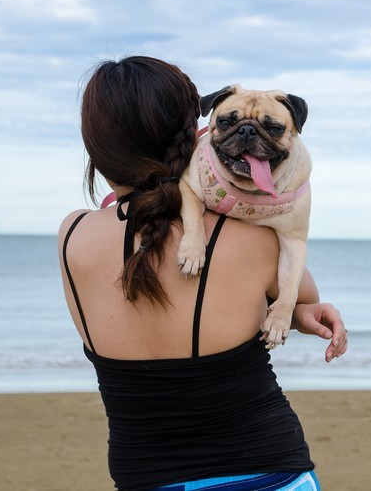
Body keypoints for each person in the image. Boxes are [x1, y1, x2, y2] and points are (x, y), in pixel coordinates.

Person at [57, 56, 347, 491]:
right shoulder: (251, 236)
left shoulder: (72, 235)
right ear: (197, 135)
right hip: (269, 471)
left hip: (145, 478)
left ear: (95, 151)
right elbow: (300, 298)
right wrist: (300, 313)